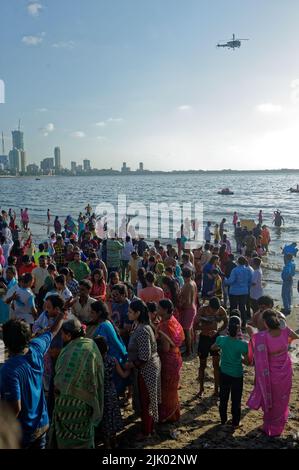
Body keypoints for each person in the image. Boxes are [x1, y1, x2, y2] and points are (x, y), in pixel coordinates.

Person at [0, 311, 65, 448]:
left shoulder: (9, 370)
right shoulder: (36, 349)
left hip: (23, 434)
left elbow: (15, 408)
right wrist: (63, 312)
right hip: (42, 424)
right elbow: (53, 331)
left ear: (6, 342)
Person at [49, 318, 104, 449]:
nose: (61, 337)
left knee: (66, 440)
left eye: (62, 334)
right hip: (86, 402)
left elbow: (58, 382)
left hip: (65, 405)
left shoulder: (66, 351)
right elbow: (98, 373)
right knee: (84, 436)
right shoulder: (91, 345)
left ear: (68, 335)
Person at [247, 310, 299, 437]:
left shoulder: (262, 337)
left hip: (271, 374)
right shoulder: (284, 329)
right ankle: (279, 422)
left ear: (265, 323)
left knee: (271, 399)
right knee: (282, 398)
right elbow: (296, 338)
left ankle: (270, 427)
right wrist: (286, 344)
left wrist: (250, 334)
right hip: (285, 369)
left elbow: (256, 350)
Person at [126, 299, 161, 440]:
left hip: (147, 370)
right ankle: (149, 428)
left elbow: (144, 357)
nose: (127, 314)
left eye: (130, 312)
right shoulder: (140, 325)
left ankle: (147, 431)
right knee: (148, 400)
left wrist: (131, 365)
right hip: (148, 368)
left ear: (138, 313)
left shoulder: (142, 330)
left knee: (146, 402)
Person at [211, 316, 248, 428]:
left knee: (223, 398)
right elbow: (247, 361)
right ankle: (235, 423)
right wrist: (239, 359)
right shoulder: (243, 344)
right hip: (237, 374)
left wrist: (221, 349)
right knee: (236, 400)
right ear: (238, 330)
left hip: (224, 373)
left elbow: (213, 348)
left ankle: (223, 420)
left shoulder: (221, 339)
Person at [93, 336, 129, 449]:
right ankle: (115, 442)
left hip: (100, 393)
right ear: (107, 348)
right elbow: (123, 375)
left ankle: (107, 444)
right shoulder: (112, 360)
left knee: (104, 419)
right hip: (111, 391)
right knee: (112, 416)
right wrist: (131, 367)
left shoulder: (94, 362)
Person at [156, 299, 184, 423]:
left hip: (168, 360)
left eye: (159, 308)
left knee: (167, 389)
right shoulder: (173, 320)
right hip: (176, 356)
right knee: (172, 388)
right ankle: (174, 413)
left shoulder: (165, 326)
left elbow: (165, 348)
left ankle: (168, 416)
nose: (157, 310)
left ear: (165, 310)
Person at [92, 301, 128, 395]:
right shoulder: (107, 323)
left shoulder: (103, 326)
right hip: (116, 360)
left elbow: (101, 345)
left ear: (99, 313)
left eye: (92, 312)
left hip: (111, 363)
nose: (90, 315)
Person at [194, 297, 228, 398]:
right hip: (204, 338)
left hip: (215, 339)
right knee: (202, 365)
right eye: (213, 310)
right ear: (209, 306)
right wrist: (206, 328)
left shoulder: (221, 310)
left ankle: (216, 390)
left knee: (216, 366)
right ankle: (201, 389)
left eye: (216, 310)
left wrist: (217, 331)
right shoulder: (202, 310)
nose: (215, 312)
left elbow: (226, 323)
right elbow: (195, 326)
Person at [225, 256, 252, 329]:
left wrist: (225, 280)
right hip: (244, 292)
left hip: (234, 292)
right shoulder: (248, 270)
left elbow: (231, 281)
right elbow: (250, 281)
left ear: (238, 262)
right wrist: (246, 288)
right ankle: (243, 324)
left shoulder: (235, 270)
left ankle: (233, 323)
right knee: (242, 308)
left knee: (233, 308)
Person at [179, 268, 197, 357]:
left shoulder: (187, 285)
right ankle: (191, 348)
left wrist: (180, 306)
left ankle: (188, 351)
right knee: (190, 330)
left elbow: (187, 300)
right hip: (193, 308)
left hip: (188, 309)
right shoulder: (193, 282)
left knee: (186, 331)